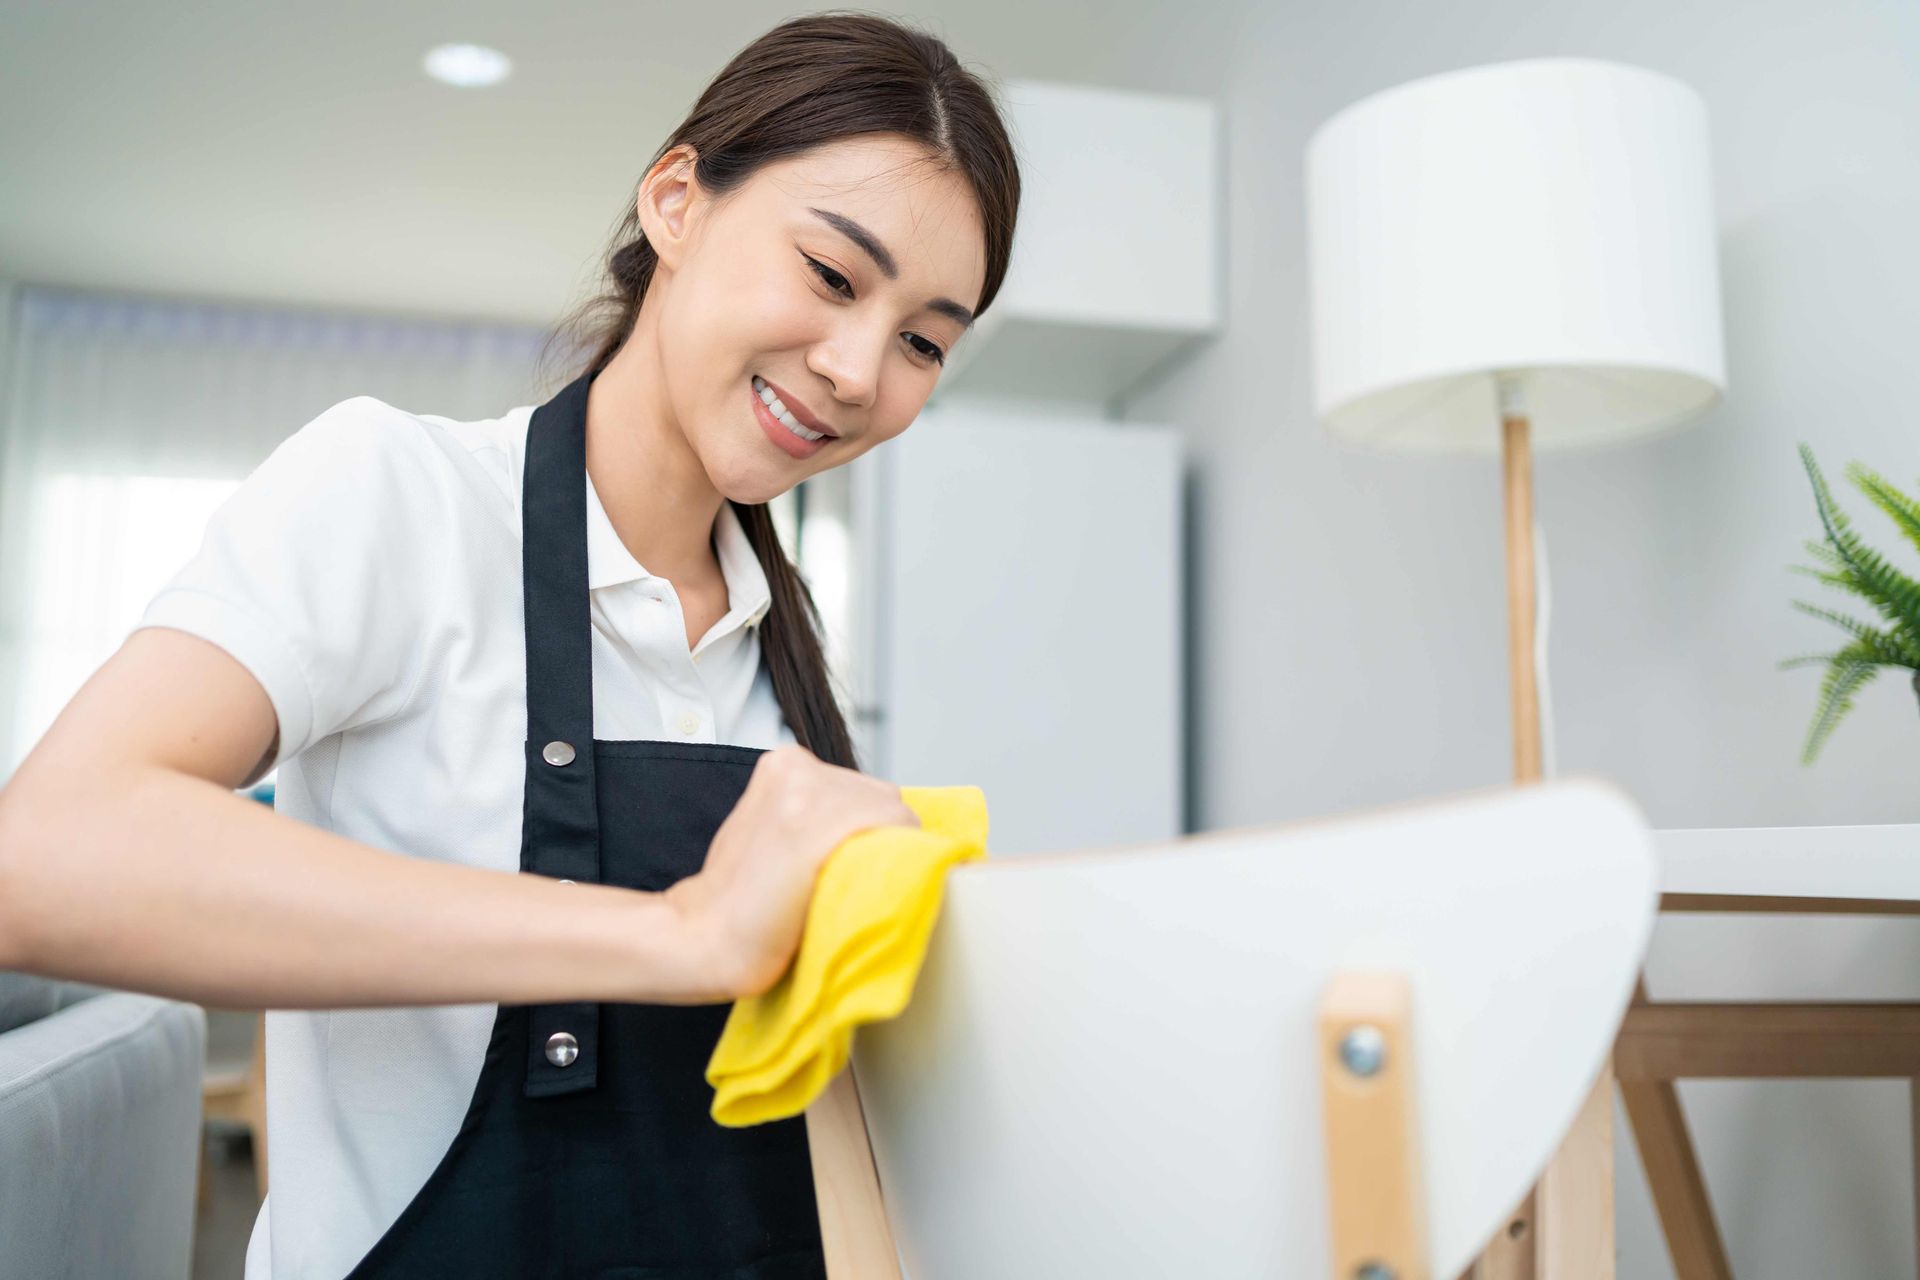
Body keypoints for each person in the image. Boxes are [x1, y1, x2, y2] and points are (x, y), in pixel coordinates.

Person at [0, 11, 1020, 1277]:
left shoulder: (789, 657)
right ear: (677, 202)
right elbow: (40, 858)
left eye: (925, 339)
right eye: (829, 274)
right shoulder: (399, 494)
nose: (862, 367)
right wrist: (676, 933)